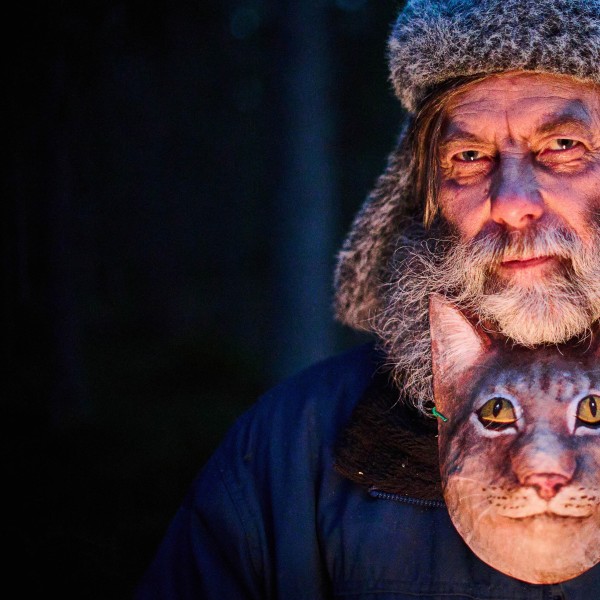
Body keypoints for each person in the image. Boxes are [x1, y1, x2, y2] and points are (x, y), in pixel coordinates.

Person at [136, 0, 600, 598]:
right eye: (468, 158)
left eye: (563, 145)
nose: (511, 202)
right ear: (425, 196)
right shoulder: (296, 445)